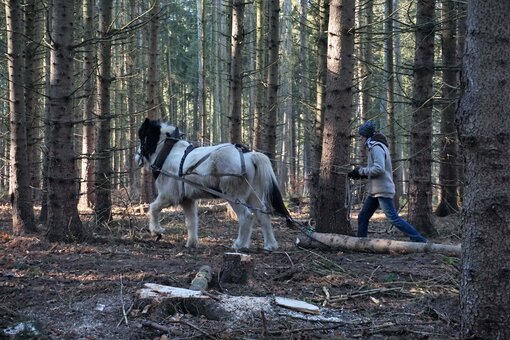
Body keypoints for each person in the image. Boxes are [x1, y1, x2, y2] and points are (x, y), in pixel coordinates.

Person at [348, 121, 427, 243]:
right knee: (363, 216)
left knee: (393, 219)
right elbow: (377, 169)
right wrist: (362, 174)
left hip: (382, 190)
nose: (360, 139)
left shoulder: (376, 147)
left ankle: (420, 240)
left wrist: (361, 171)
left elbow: (379, 168)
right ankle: (361, 244)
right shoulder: (374, 146)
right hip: (376, 190)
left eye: (361, 136)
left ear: (366, 136)